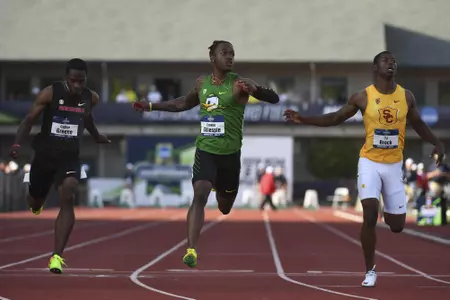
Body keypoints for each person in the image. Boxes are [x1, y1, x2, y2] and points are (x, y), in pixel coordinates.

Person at [283, 51, 445, 287]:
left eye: (393, 61)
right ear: (375, 67)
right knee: (369, 212)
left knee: (397, 225)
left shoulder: (406, 96)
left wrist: (437, 142)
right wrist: (303, 119)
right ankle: (370, 270)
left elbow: (418, 123)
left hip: (393, 165)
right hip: (369, 161)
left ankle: (387, 206)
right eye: (385, 60)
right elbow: (336, 117)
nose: (391, 63)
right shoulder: (363, 97)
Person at [132, 40, 279, 268]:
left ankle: (220, 189)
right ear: (213, 58)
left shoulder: (239, 84)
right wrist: (151, 107)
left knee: (224, 207)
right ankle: (191, 249)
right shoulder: (202, 84)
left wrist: (257, 90)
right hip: (206, 150)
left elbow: (274, 99)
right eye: (224, 53)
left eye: (232, 54)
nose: (230, 57)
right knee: (199, 192)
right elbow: (183, 103)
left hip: (230, 155)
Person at [9, 58, 110, 274]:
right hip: (45, 155)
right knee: (35, 199)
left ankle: (57, 256)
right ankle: (36, 202)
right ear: (66, 78)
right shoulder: (50, 93)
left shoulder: (90, 97)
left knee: (69, 191)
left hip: (69, 156)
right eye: (73, 81)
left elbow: (87, 118)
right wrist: (17, 143)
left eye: (81, 81)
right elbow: (28, 119)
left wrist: (96, 135)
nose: (77, 85)